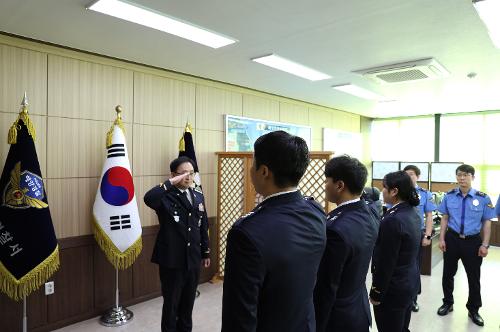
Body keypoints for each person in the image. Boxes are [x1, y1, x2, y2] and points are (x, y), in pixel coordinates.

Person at [221, 130, 326, 332]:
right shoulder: (315, 211)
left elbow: (240, 313)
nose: (251, 170)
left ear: (264, 171)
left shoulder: (247, 232)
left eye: (253, 164)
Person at [144, 156, 210, 332]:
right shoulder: (165, 197)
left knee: (188, 304)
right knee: (171, 304)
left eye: (191, 173)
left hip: (193, 259)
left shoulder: (197, 195)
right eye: (183, 173)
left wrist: (206, 252)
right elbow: (148, 198)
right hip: (172, 260)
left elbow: (202, 226)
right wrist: (171, 182)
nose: (188, 177)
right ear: (173, 175)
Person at [314, 155, 379, 332]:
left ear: (340, 185)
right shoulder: (369, 212)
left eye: (327, 180)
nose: (324, 185)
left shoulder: (336, 229)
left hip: (338, 318)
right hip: (357, 307)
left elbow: (327, 286)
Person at [436, 164, 495, 327]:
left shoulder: (483, 198)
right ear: (456, 177)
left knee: (473, 277)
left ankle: (474, 309)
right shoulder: (449, 196)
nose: (462, 178)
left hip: (473, 242)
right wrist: (441, 239)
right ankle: (448, 302)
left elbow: (487, 223)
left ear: (473, 177)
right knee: (448, 274)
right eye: (459, 175)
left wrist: (485, 244)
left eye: (466, 175)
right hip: (452, 239)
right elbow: (445, 218)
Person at [369, 171, 421, 332]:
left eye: (384, 187)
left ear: (394, 191)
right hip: (408, 283)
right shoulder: (412, 213)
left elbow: (386, 262)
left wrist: (376, 292)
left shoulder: (393, 220)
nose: (382, 191)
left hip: (393, 290)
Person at [403, 164, 437, 312]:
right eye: (406, 174)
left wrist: (428, 236)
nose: (409, 177)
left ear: (418, 176)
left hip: (417, 234)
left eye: (411, 174)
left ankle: (413, 299)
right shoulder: (398, 191)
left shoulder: (425, 194)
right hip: (400, 235)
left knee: (414, 268)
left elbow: (429, 216)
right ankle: (401, 297)